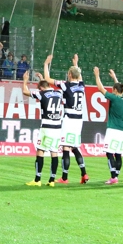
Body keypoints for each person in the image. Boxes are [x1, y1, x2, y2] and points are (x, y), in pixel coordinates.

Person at [43, 54, 88, 184]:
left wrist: (46, 64)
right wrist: (76, 64)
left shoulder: (65, 85)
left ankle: (64, 177)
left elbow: (47, 78)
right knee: (75, 146)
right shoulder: (82, 85)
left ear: (69, 74)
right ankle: (84, 174)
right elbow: (78, 75)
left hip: (69, 118)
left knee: (66, 147)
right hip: (79, 119)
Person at [21, 70, 62, 187]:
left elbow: (25, 91)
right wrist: (42, 79)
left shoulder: (41, 94)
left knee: (40, 150)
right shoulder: (59, 93)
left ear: (40, 88)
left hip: (47, 126)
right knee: (54, 152)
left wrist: (25, 80)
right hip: (57, 127)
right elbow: (46, 89)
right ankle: (52, 180)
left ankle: (37, 179)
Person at [95, 67, 123, 185]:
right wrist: (115, 77)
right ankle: (116, 175)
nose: (112, 91)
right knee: (118, 153)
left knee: (108, 152)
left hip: (112, 129)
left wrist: (97, 75)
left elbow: (101, 89)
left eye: (113, 89)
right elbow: (122, 89)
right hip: (122, 130)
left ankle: (113, 177)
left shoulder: (114, 98)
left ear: (115, 90)